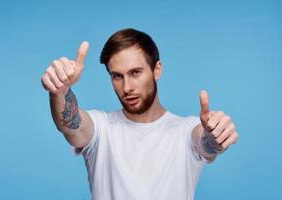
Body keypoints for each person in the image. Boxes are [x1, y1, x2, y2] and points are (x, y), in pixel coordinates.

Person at [41, 28, 239, 200]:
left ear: (157, 70)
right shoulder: (101, 128)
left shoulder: (186, 131)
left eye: (135, 72)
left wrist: (216, 136)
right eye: (117, 76)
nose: (127, 87)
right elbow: (69, 125)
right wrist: (60, 91)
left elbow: (206, 142)